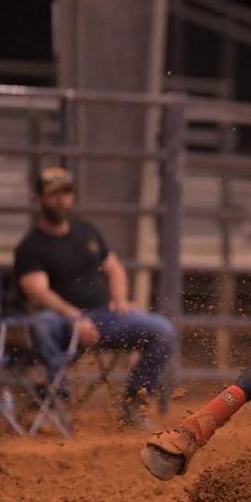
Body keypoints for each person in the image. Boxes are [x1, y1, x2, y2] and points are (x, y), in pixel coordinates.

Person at [13, 167, 178, 428]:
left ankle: (135, 401)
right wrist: (75, 317)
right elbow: (38, 291)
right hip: (62, 322)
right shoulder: (31, 246)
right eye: (53, 194)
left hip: (103, 317)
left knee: (162, 329)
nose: (61, 200)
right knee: (41, 323)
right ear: (40, 199)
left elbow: (113, 267)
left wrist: (121, 299)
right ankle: (57, 399)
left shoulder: (86, 231)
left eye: (66, 193)